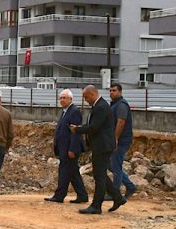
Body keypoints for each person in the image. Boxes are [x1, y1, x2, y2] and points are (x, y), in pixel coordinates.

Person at [70, 85, 126, 214]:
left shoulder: (101, 107)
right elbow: (93, 125)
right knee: (100, 174)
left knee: (99, 176)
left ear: (92, 94)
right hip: (100, 145)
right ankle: (117, 197)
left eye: (86, 97)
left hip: (103, 146)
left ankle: (96, 206)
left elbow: (94, 127)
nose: (85, 100)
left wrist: (77, 130)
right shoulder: (98, 106)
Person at [45, 89, 88, 204]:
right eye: (61, 98)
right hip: (64, 147)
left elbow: (76, 132)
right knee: (73, 173)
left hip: (69, 148)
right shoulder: (65, 111)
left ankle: (59, 196)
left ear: (70, 99)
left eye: (64, 98)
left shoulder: (74, 111)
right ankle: (82, 195)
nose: (62, 100)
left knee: (64, 171)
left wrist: (72, 149)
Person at [108, 84, 137, 199]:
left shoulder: (121, 105)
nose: (111, 93)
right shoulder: (115, 105)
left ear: (120, 92)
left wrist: (115, 138)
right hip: (117, 140)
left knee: (115, 166)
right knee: (112, 165)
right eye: (110, 91)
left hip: (121, 140)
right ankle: (130, 186)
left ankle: (115, 193)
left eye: (114, 90)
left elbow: (121, 122)